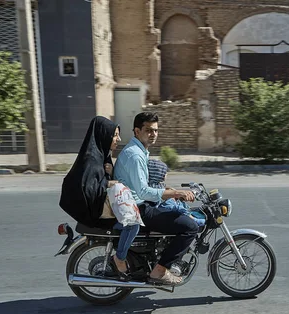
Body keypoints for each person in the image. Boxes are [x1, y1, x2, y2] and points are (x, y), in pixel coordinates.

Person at [114, 112, 198, 285]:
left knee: (174, 210)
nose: (153, 134)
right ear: (137, 131)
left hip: (138, 204)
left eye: (155, 131)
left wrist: (168, 191)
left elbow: (144, 186)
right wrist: (176, 193)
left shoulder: (139, 151)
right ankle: (159, 271)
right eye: (148, 130)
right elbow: (143, 191)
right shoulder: (135, 155)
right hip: (138, 208)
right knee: (190, 226)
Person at [59, 116, 140, 280]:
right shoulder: (92, 159)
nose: (119, 139)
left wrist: (109, 176)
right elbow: (91, 190)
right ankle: (120, 259)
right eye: (115, 135)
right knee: (133, 224)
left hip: (102, 209)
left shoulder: (102, 156)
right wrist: (110, 181)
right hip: (96, 213)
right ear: (104, 135)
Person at [147, 159, 205, 227]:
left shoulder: (155, 183)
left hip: (163, 203)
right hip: (161, 206)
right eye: (164, 173)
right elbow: (160, 194)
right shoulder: (153, 185)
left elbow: (163, 190)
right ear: (158, 174)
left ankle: (189, 213)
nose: (166, 175)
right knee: (178, 208)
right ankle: (192, 219)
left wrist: (172, 191)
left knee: (180, 203)